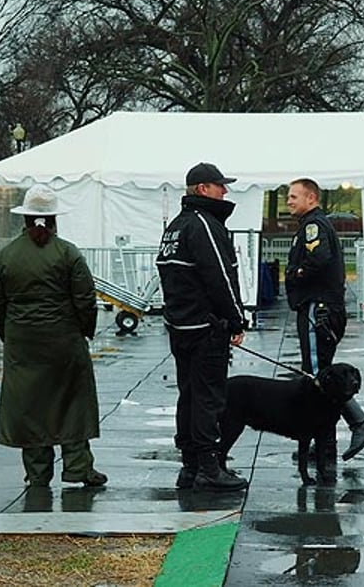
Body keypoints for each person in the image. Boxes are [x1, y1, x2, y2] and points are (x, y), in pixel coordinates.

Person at [0, 184, 106, 489]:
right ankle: (79, 466)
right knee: (72, 403)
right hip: (64, 340)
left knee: (30, 408)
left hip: (23, 343)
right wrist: (84, 330)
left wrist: (10, 334)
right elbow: (85, 299)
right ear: (54, 219)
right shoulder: (68, 253)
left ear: (25, 218)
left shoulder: (5, 256)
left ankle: (38, 472)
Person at [157, 162, 249, 491]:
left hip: (181, 326)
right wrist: (237, 318)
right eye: (219, 185)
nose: (224, 191)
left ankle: (190, 465)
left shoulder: (177, 226)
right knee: (208, 398)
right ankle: (210, 465)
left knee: (189, 396)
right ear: (202, 189)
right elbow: (220, 277)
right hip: (206, 327)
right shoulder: (204, 225)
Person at [285, 178, 364, 479]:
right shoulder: (312, 223)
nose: (288, 201)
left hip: (319, 307)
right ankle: (323, 437)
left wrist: (297, 274)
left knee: (317, 373)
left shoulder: (314, 225)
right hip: (323, 307)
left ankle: (358, 423)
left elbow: (319, 258)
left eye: (293, 196)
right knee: (319, 373)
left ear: (311, 198)